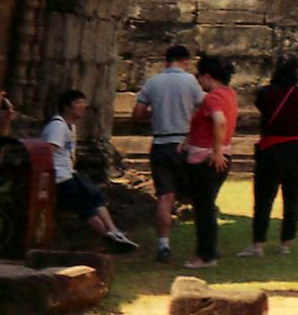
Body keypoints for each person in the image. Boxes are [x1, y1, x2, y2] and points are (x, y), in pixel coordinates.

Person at [132, 43, 205, 262]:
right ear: (185, 61)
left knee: (165, 197)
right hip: (184, 142)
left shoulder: (153, 82)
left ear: (166, 61)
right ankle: (203, 243)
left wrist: (157, 115)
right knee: (197, 195)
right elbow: (204, 108)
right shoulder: (190, 81)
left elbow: (137, 113)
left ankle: (164, 245)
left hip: (161, 143)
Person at [42, 91, 138, 251]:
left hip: (68, 173)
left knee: (96, 197)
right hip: (60, 177)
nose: (83, 107)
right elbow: (47, 152)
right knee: (86, 206)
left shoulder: (70, 126)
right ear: (67, 107)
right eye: (79, 103)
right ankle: (108, 238)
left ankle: (113, 230)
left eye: (84, 103)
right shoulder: (57, 127)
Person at [239, 54, 298, 259]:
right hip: (296, 149)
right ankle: (285, 244)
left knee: (263, 198)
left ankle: (258, 244)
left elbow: (263, 110)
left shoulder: (264, 94)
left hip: (271, 149)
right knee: (293, 198)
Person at [177, 54, 237, 269]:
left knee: (203, 209)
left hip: (206, 159)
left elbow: (219, 122)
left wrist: (216, 151)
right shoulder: (228, 94)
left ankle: (206, 255)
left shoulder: (212, 98)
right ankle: (205, 250)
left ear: (207, 76)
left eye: (199, 76)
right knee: (205, 207)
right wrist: (188, 140)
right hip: (217, 156)